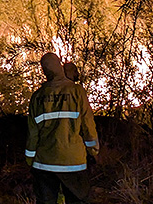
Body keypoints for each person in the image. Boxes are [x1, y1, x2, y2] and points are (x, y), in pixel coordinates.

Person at [26, 52, 99, 204]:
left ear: (45, 72)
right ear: (60, 66)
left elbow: (33, 134)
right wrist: (93, 150)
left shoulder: (37, 97)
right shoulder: (77, 91)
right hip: (74, 163)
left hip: (44, 163)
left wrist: (29, 159)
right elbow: (88, 125)